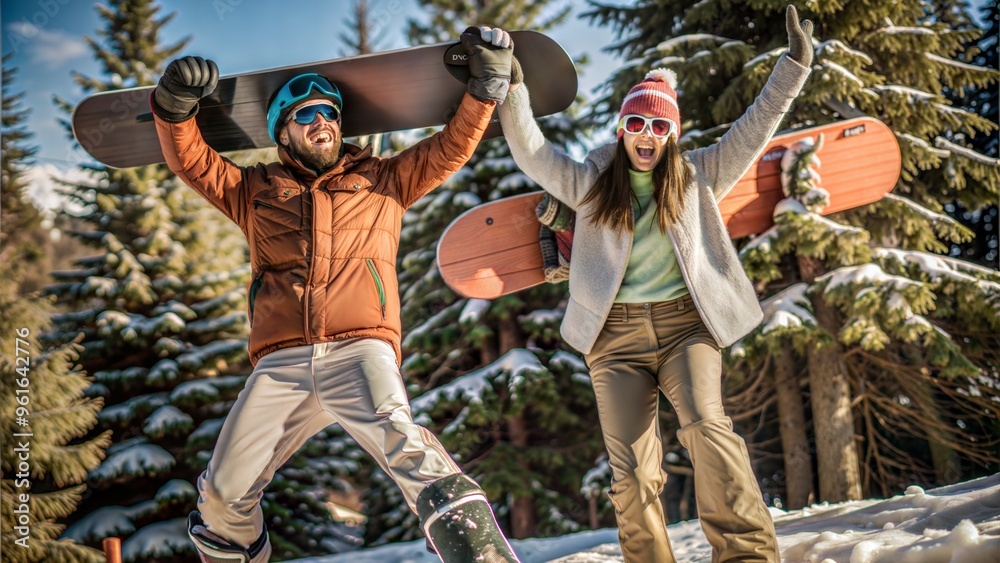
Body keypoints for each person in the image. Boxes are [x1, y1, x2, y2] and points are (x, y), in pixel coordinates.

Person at [150, 27, 522, 563]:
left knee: (405, 444)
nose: (321, 121)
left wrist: (485, 89)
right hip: (281, 364)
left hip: (360, 349)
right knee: (223, 493)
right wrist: (174, 108)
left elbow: (450, 148)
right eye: (305, 114)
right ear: (283, 132)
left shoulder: (385, 181)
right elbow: (192, 163)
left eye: (329, 112)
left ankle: (482, 554)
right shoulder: (253, 192)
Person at [499, 6, 814, 563]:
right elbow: (533, 152)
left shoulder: (698, 175)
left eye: (660, 125)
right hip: (613, 340)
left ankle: (747, 555)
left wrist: (793, 66)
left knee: (706, 429)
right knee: (634, 470)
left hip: (683, 328)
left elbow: (756, 125)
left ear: (673, 134)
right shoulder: (592, 181)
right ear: (622, 129)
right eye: (637, 124)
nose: (647, 135)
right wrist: (514, 90)